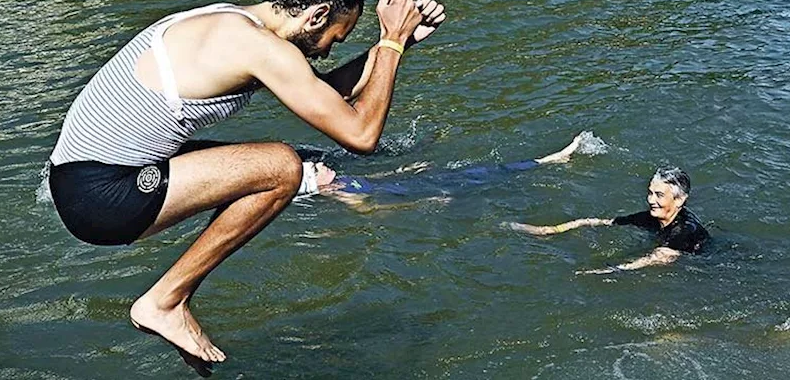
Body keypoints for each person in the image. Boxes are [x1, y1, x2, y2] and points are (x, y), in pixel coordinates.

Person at [45, 0, 446, 371]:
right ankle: (164, 301)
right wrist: (390, 44)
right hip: (100, 195)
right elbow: (360, 133)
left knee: (293, 161)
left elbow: (326, 97)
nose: (332, 50)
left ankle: (167, 302)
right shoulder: (258, 47)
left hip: (82, 180)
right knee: (281, 168)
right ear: (316, 15)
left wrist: (396, 45)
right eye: (336, 38)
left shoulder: (238, 25)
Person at [299, 133, 591, 211]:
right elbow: (376, 210)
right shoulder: (341, 194)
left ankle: (547, 161)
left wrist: (405, 168)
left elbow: (373, 181)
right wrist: (423, 203)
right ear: (316, 184)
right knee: (484, 177)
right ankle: (550, 161)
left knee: (480, 172)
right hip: (421, 192)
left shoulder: (342, 180)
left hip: (416, 182)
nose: (322, 164)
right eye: (316, 169)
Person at [505, 166, 709, 274]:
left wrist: (613, 269)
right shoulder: (650, 218)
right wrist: (551, 230)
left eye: (659, 195)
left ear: (680, 199)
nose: (651, 200)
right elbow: (604, 222)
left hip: (705, 267)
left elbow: (662, 257)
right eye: (650, 193)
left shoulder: (685, 229)